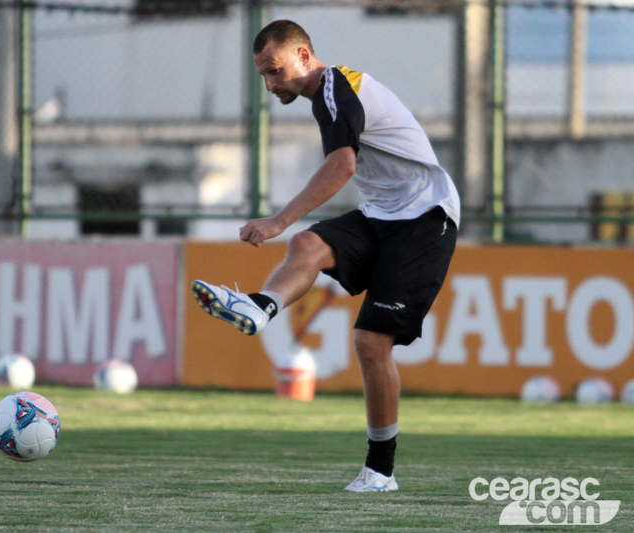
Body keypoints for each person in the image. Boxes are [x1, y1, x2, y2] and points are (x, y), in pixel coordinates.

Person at [191, 19, 460, 492]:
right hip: (383, 214)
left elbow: (342, 165)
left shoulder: (337, 88)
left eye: (275, 71)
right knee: (309, 245)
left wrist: (278, 220)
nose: (271, 84)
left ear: (303, 55)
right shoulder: (327, 96)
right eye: (264, 76)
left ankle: (380, 472)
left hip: (426, 218)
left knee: (370, 342)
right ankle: (261, 305)